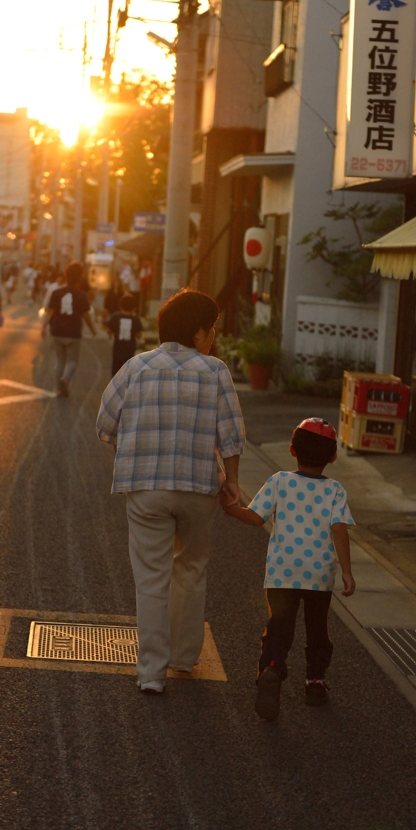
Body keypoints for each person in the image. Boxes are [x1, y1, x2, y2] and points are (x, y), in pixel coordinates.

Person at [96, 289, 245, 695]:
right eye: (211, 330)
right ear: (198, 333)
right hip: (198, 486)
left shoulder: (135, 367)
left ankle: (151, 673)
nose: (212, 338)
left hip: (145, 487)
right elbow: (231, 434)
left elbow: (105, 423)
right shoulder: (215, 371)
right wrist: (231, 481)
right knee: (191, 568)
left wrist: (133, 445)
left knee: (151, 579)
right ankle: (183, 658)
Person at [221, 418, 355, 722]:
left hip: (283, 572)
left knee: (280, 624)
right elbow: (339, 529)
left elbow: (255, 518)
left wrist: (232, 509)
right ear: (333, 457)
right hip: (319, 574)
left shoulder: (279, 480)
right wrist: (346, 572)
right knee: (317, 628)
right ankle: (315, 682)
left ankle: (271, 666)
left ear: (292, 449)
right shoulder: (335, 490)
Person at [44, 261, 96, 396]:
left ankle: (59, 389)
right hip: (73, 332)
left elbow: (50, 312)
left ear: (66, 276)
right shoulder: (81, 295)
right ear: (80, 278)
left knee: (60, 360)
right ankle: (65, 379)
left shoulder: (56, 293)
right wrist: (92, 329)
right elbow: (86, 315)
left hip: (57, 330)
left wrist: (44, 327)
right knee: (72, 360)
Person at [105, 293, 143, 376]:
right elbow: (139, 335)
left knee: (116, 371)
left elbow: (108, 330)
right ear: (133, 306)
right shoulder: (135, 319)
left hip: (117, 349)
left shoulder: (115, 317)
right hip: (130, 349)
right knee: (128, 372)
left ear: (120, 305)